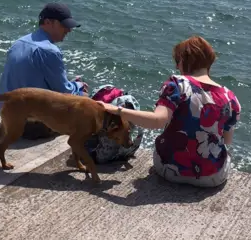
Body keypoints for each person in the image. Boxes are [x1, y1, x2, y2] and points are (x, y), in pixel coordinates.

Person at [100, 36, 241, 187]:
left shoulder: (178, 84)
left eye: (177, 62)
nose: (177, 67)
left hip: (170, 170)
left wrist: (116, 110)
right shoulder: (230, 97)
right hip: (212, 177)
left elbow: (157, 121)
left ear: (184, 60)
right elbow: (227, 141)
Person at [0, 2, 88, 139]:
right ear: (48, 22)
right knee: (85, 101)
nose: (68, 30)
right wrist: (78, 86)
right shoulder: (49, 51)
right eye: (64, 25)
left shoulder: (19, 42)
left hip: (7, 116)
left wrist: (71, 85)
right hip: (28, 126)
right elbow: (64, 91)